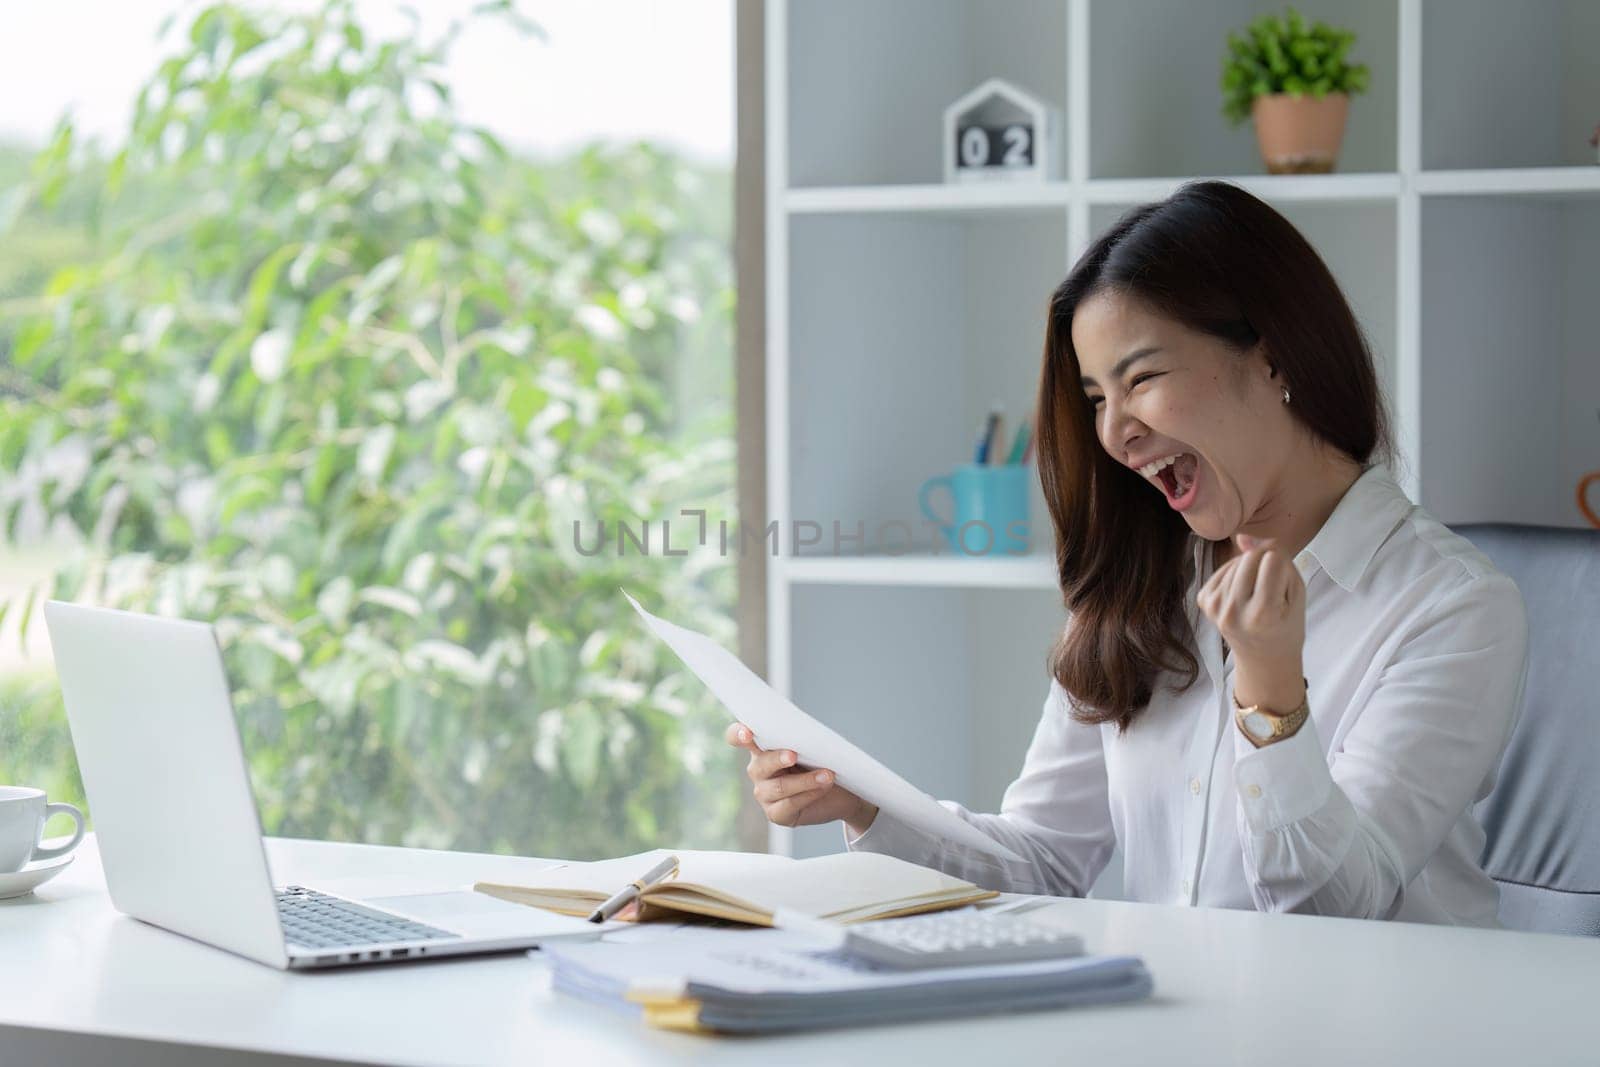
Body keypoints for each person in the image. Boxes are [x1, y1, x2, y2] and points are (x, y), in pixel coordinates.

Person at [726, 180, 1529, 925]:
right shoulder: (1144, 588)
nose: (1115, 432)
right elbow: (1042, 858)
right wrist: (859, 801)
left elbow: (1330, 908)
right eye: (1096, 398)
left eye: (1141, 379)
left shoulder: (1452, 605)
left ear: (1274, 355)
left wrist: (1272, 692)